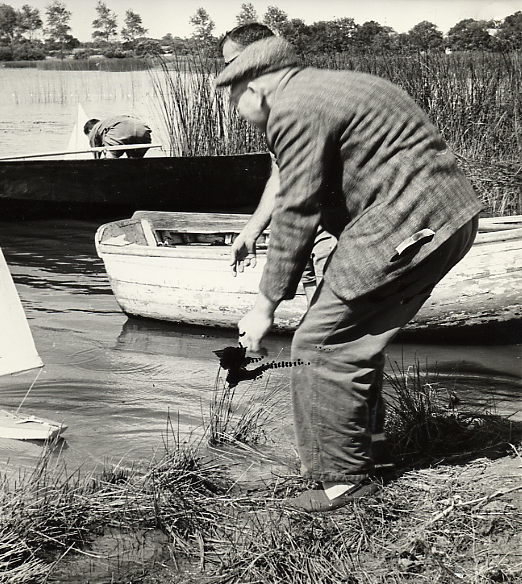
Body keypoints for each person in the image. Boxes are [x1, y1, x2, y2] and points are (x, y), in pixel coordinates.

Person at [214, 36, 481, 512]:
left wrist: (263, 308)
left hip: (404, 224)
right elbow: (301, 185)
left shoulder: (293, 108)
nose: (236, 112)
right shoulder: (329, 87)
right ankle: (370, 451)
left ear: (253, 88)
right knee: (355, 338)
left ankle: (341, 480)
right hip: (448, 218)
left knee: (318, 343)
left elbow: (298, 210)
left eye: (233, 100)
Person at [219, 23, 335, 301]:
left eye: (234, 63)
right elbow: (280, 173)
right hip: (309, 226)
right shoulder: (275, 106)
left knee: (336, 321)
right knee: (315, 309)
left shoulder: (307, 99)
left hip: (337, 226)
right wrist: (252, 230)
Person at [84, 116, 152, 159]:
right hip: (142, 128)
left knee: (109, 161)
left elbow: (96, 150)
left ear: (90, 130)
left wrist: (97, 162)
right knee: (135, 161)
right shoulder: (110, 122)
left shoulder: (95, 128)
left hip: (122, 129)